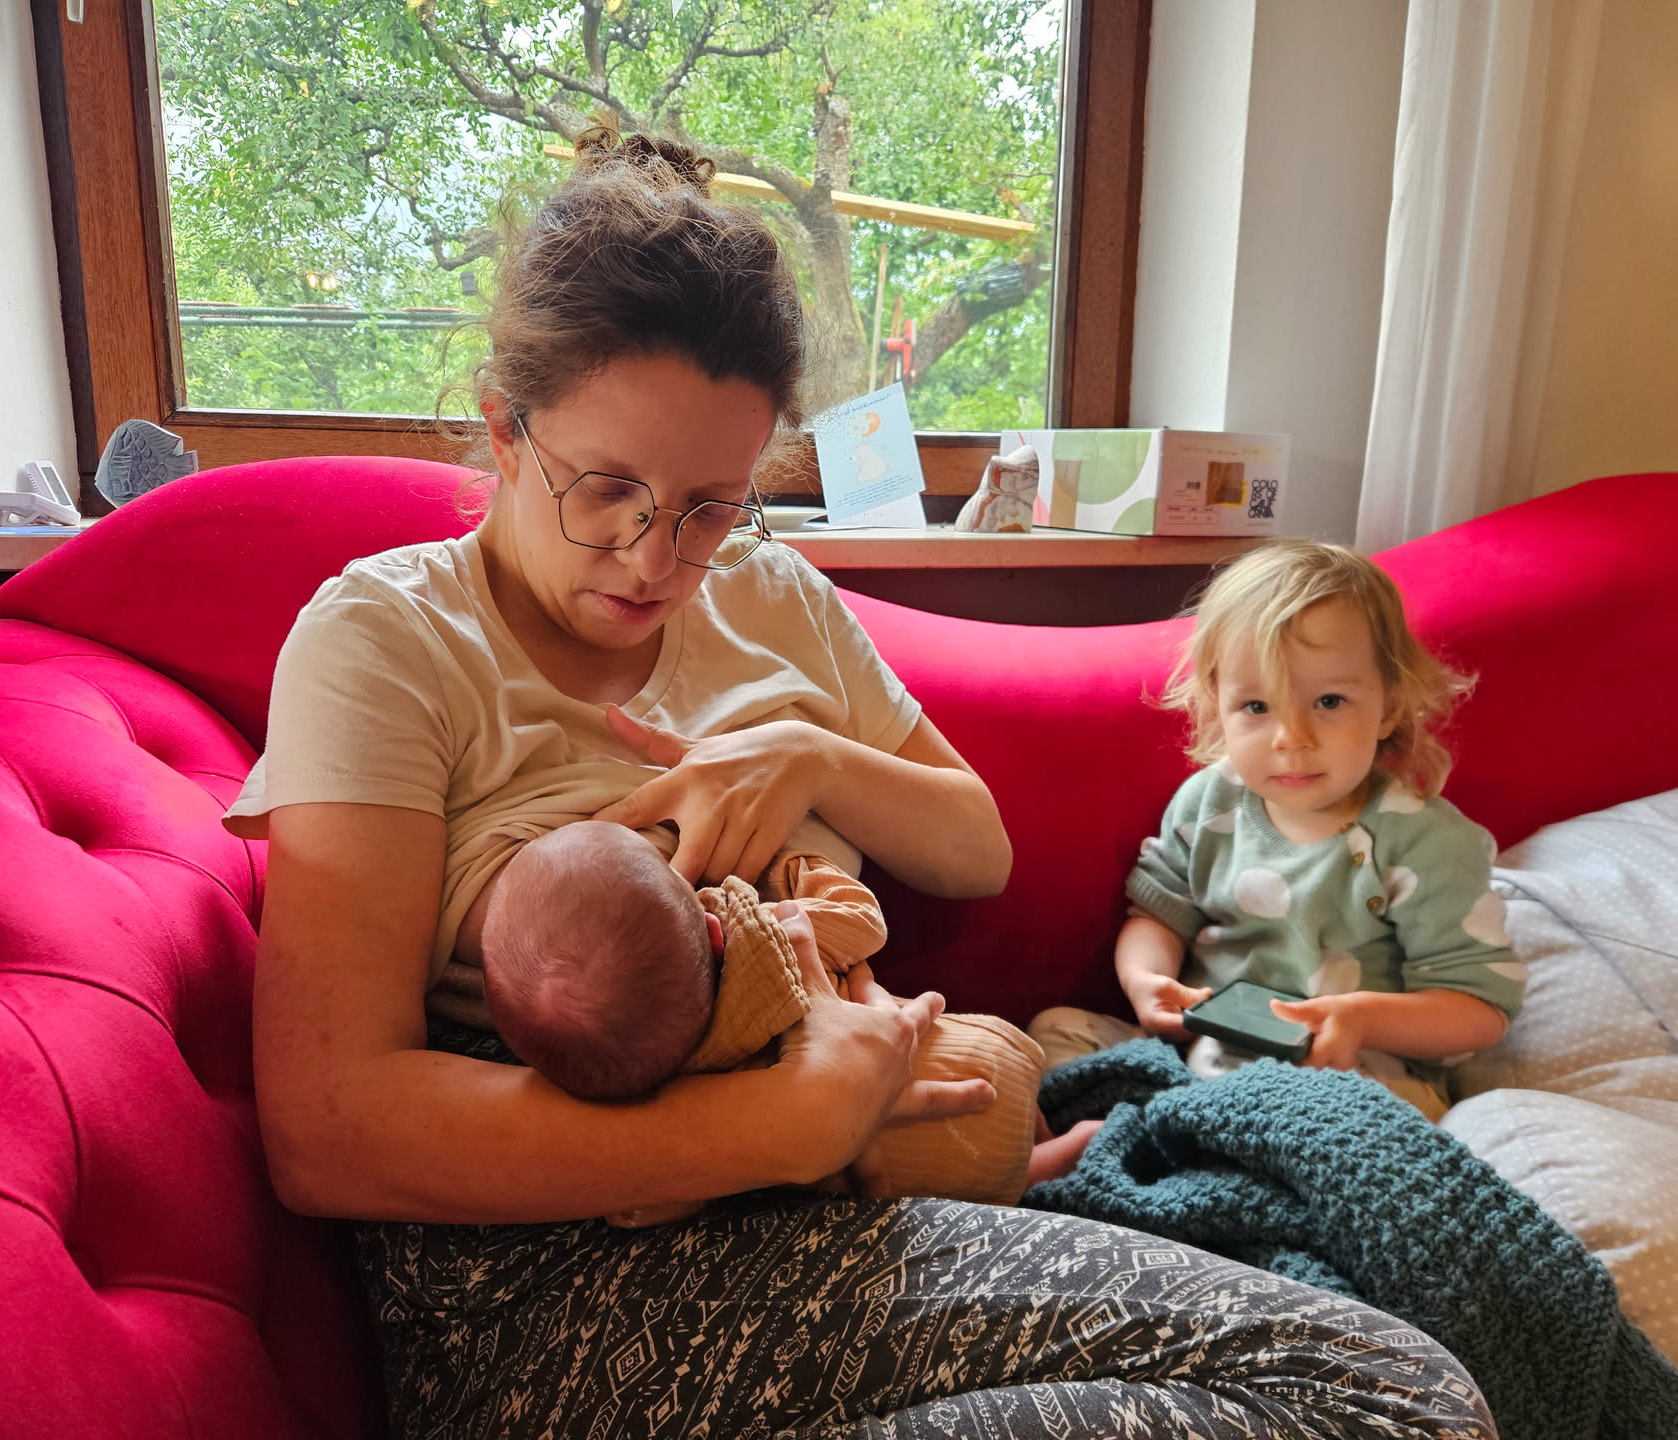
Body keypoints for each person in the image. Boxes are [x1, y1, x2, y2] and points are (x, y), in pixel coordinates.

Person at [230, 128, 1498, 1438]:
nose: (655, 557)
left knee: (1398, 1368)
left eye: (711, 505)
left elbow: (975, 847)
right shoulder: (390, 640)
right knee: (1390, 1400)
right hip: (553, 1281)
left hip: (834, 1201)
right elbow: (327, 1125)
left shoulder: (766, 596)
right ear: (505, 428)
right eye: (605, 490)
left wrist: (809, 757)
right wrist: (777, 1128)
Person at [1031, 540, 1523, 1120]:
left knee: (1358, 1118)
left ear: (1389, 707)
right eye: (1258, 707)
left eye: (1329, 701)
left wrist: (1361, 1019)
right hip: (1199, 1051)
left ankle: (1183, 1135)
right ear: (1217, 706)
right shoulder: (1209, 801)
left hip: (1349, 1073)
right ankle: (1172, 1128)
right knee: (1052, 1035)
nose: (1292, 738)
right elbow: (1158, 914)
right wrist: (1147, 980)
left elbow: (1481, 1009)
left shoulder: (1428, 844)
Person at [476, 819, 1075, 1216]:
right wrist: (793, 867)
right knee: (1049, 1124)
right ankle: (1080, 1140)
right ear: (712, 930)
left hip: (926, 1179)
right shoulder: (771, 942)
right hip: (976, 1070)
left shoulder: (674, 1110)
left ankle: (1055, 1158)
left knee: (1024, 1172)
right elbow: (862, 920)